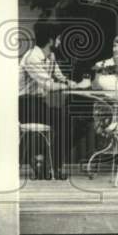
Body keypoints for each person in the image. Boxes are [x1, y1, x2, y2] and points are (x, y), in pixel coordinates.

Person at [19, 21, 79, 179]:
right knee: (65, 120)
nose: (60, 42)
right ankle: (50, 163)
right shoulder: (32, 58)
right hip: (25, 105)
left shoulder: (50, 56)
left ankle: (47, 161)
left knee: (72, 121)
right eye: (58, 39)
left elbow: (59, 77)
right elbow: (48, 85)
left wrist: (73, 84)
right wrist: (69, 87)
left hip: (37, 104)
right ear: (51, 40)